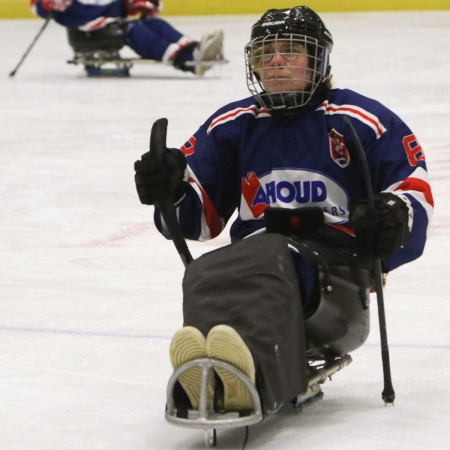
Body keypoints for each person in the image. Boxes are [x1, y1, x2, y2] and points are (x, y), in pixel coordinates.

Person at [134, 6, 434, 415]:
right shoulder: (233, 124)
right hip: (260, 262)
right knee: (205, 269)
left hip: (339, 288)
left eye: (291, 50)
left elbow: (412, 186)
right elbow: (198, 220)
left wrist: (394, 216)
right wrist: (171, 189)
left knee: (276, 257)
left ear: (318, 60)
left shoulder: (359, 120)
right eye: (265, 52)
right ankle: (210, 370)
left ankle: (249, 376)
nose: (275, 60)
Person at [30, 0, 224, 75]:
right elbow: (36, 6)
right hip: (88, 33)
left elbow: (114, 6)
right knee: (134, 31)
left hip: (109, 22)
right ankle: (188, 59)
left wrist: (134, 4)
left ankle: (194, 48)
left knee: (151, 23)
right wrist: (45, 4)